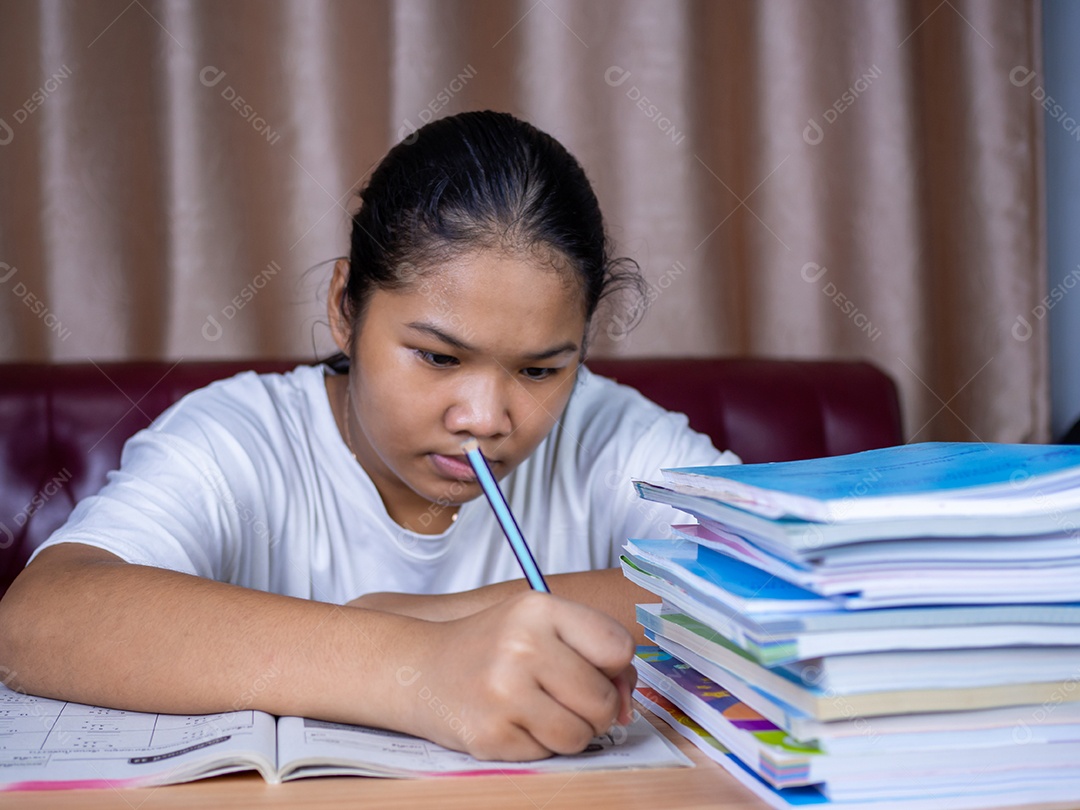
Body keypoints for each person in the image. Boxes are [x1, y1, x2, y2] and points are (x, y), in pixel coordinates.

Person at [0, 111, 736, 762]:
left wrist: (437, 612)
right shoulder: (242, 438)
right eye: (439, 358)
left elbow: (780, 587)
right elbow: (41, 619)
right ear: (346, 308)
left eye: (542, 369)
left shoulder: (607, 432)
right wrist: (418, 666)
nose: (485, 416)